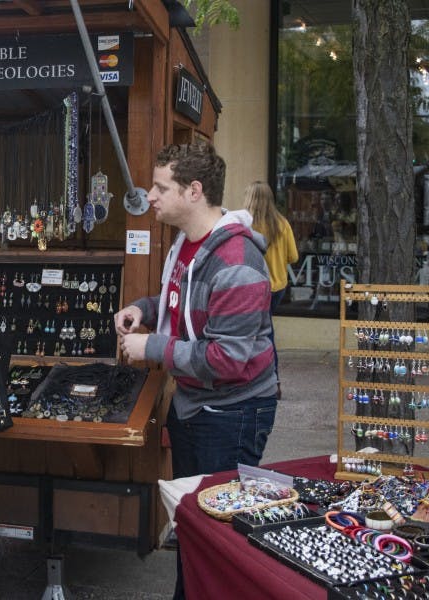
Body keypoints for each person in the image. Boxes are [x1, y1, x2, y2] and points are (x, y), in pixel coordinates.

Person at [113, 142, 276, 600]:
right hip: (195, 406)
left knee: (216, 537)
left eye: (162, 186)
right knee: (195, 525)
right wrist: (143, 309)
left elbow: (228, 359)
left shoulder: (237, 262)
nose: (151, 194)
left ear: (194, 191)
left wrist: (154, 346)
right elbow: (179, 305)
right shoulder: (187, 243)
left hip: (231, 413)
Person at [243, 181, 298, 397]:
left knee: (256, 334)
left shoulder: (245, 226)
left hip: (253, 287)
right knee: (264, 332)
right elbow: (293, 257)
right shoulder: (282, 224)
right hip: (278, 287)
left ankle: (269, 381)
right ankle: (270, 381)